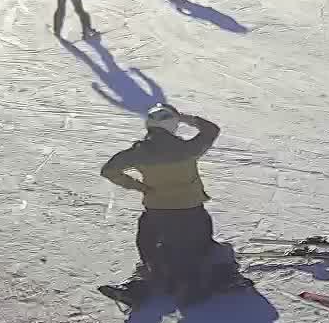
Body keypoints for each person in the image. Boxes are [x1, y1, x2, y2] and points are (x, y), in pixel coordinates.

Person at [98, 105, 233, 304]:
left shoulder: (139, 152)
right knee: (200, 248)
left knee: (152, 251)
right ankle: (200, 283)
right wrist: (185, 117)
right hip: (191, 211)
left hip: (156, 212)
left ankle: (139, 285)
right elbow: (211, 130)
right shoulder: (188, 149)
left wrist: (138, 186)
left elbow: (108, 170)